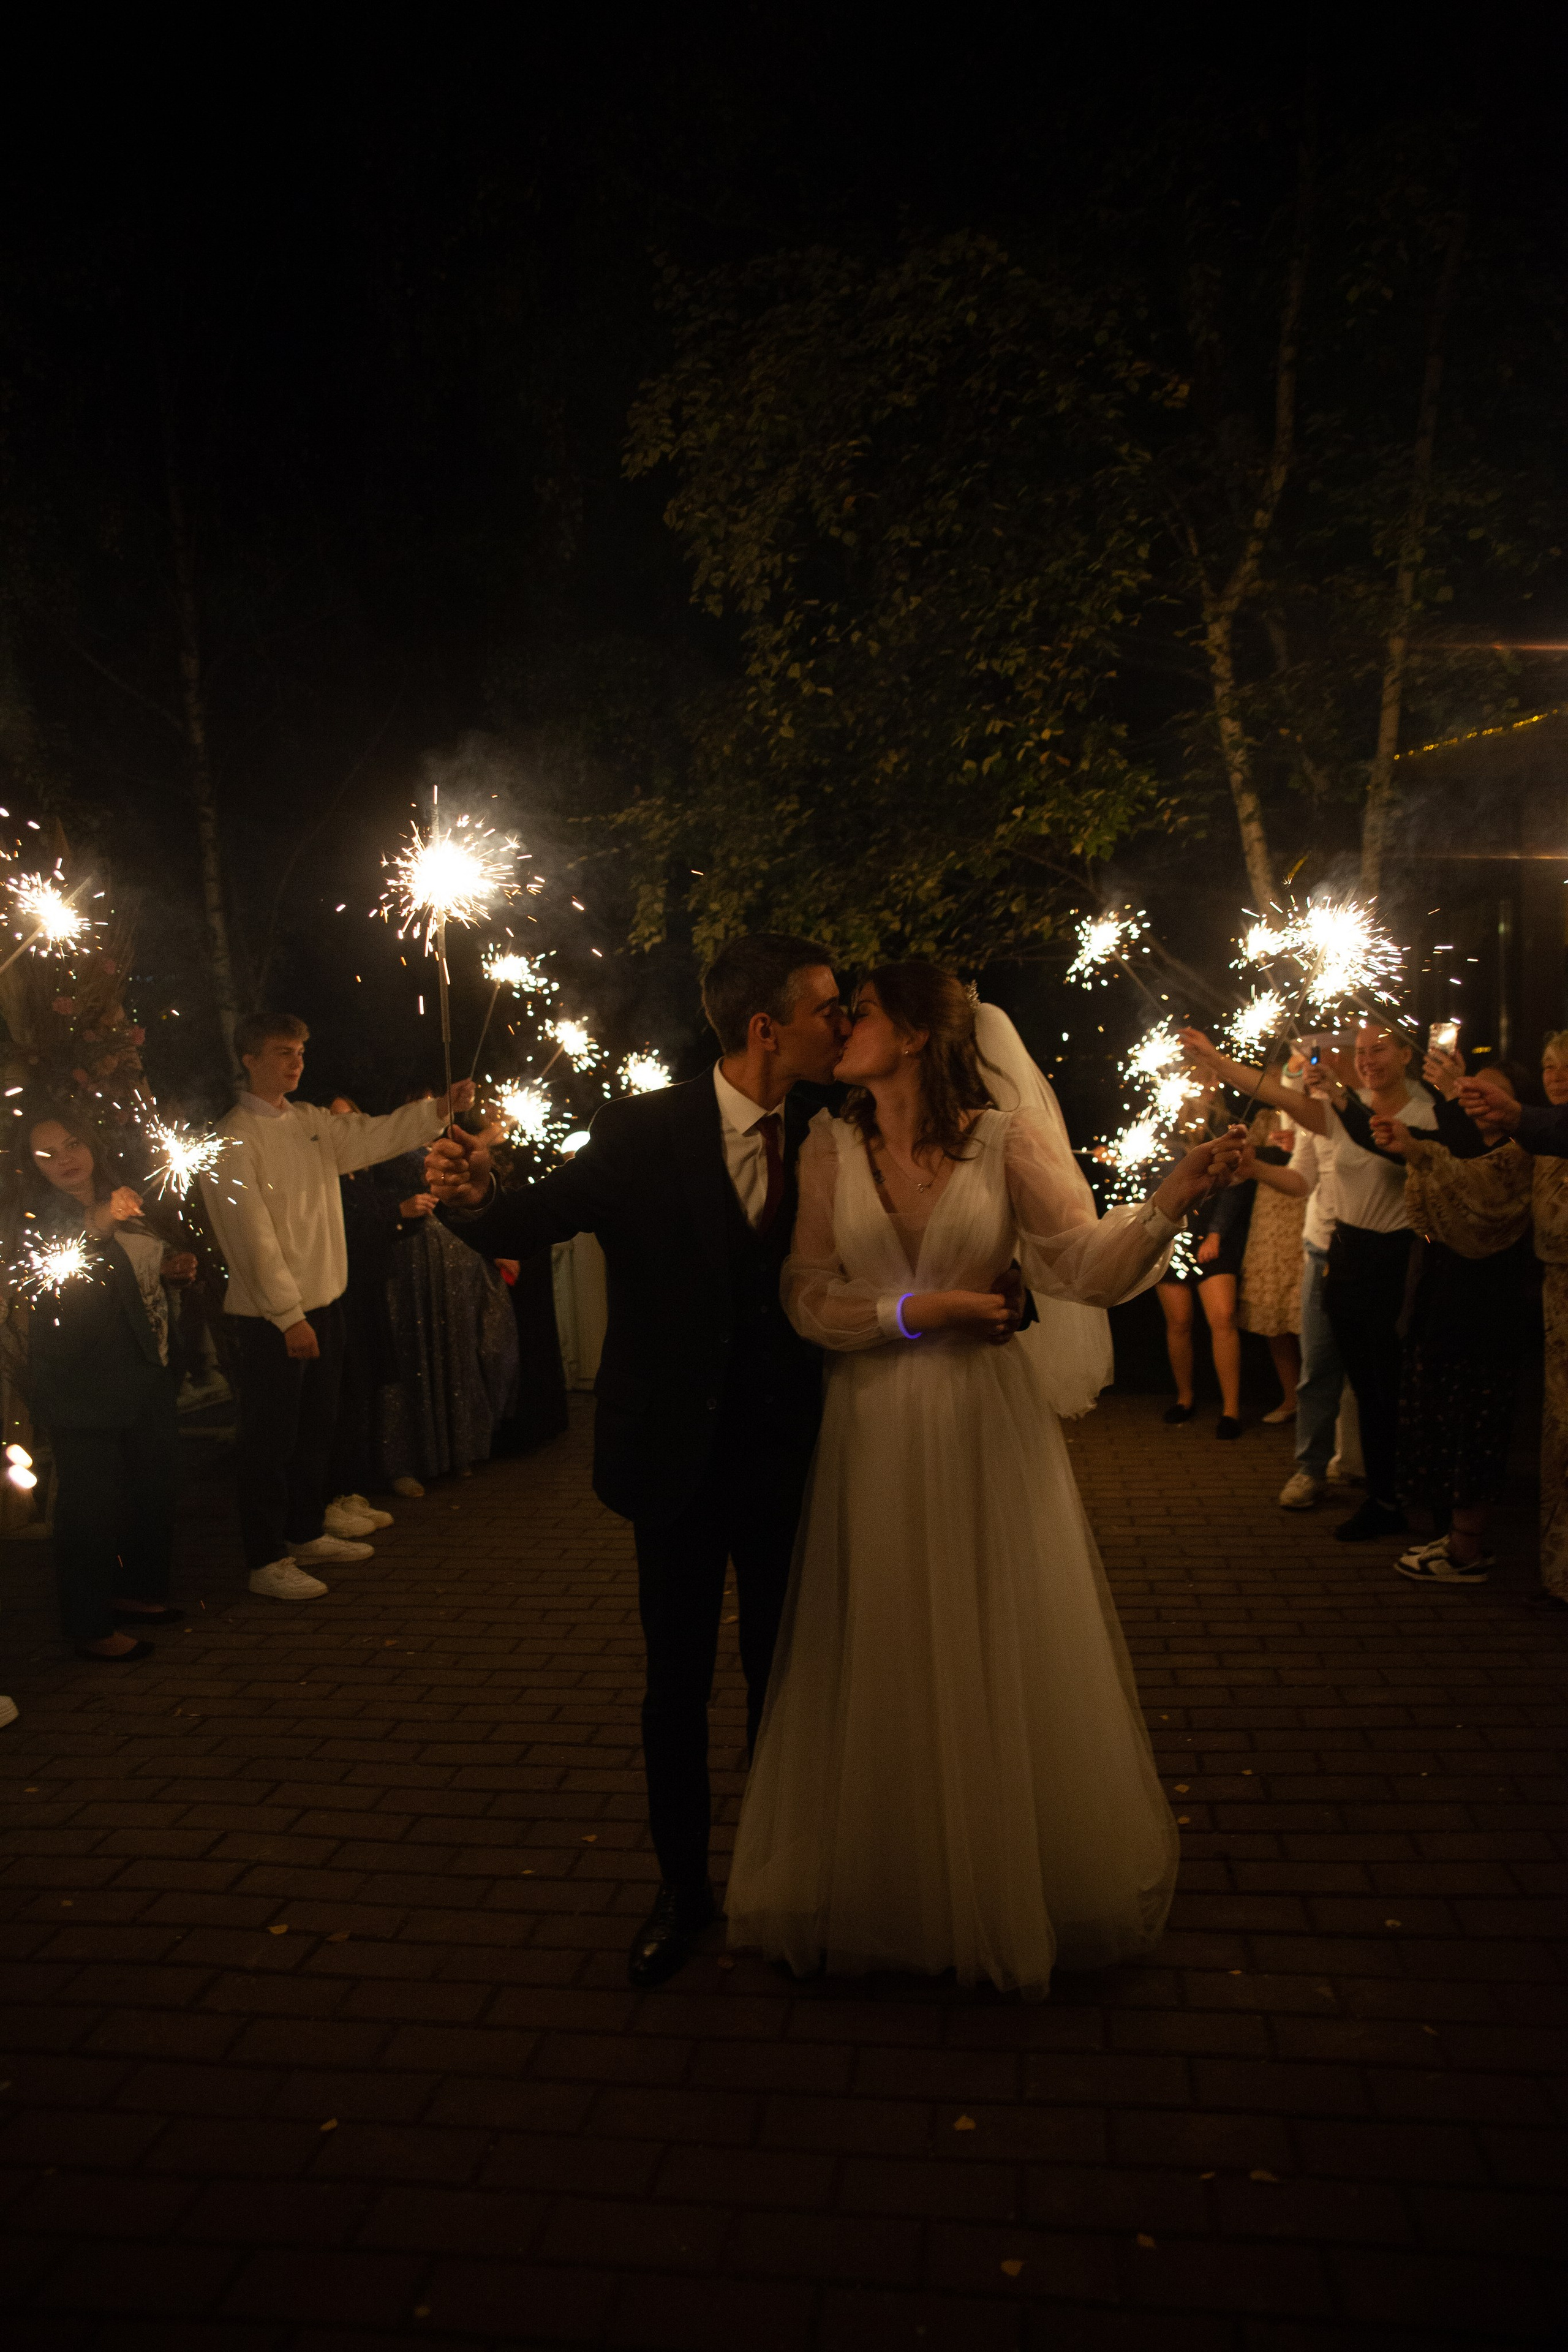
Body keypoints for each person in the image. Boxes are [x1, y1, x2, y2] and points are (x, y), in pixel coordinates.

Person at [723, 968, 1242, 1995]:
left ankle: (1005, 1879)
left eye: (858, 1013)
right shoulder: (831, 1145)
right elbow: (805, 1297)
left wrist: (1168, 1202)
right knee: (882, 1639)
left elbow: (1081, 1268)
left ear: (913, 1035)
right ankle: (891, 1878)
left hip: (982, 1429)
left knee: (988, 1632)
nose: (841, 1030)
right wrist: (924, 1313)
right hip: (871, 1429)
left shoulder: (1004, 1141)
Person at [425, 935, 851, 1988]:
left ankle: (779, 1877)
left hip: (793, 1456)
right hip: (673, 1458)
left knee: (782, 1681)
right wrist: (475, 1194)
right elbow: (535, 1217)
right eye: (828, 1009)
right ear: (767, 1026)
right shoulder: (644, 1128)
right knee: (676, 1686)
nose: (842, 1026)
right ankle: (682, 1890)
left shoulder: (838, 1130)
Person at [197, 1014, 472, 1602]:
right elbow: (250, 1237)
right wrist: (287, 1314)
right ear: (249, 1059)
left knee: (316, 1425)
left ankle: (302, 1531)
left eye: (300, 1051)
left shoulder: (311, 1123)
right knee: (271, 1439)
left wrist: (438, 1110)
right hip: (276, 1317)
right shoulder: (232, 1140)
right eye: (282, 1052)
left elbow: (373, 1135)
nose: (296, 1062)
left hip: (327, 1299)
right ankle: (265, 1558)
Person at [1182, 1022, 1437, 1539]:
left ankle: (1395, 1496)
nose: (1367, 1059)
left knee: (1390, 1386)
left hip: (1396, 1259)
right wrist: (1215, 1059)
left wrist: (1347, 1102)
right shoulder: (1345, 1109)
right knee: (1360, 1383)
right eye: (1362, 1051)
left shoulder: (1426, 1113)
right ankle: (1378, 1494)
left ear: (1407, 1055)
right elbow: (1278, 1095)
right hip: (1344, 1254)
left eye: (1378, 1050)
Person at [15, 1107, 196, 1659]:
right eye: (47, 1153)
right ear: (32, 1166)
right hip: (81, 1380)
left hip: (147, 1367)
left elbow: (142, 1266)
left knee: (151, 1488)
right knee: (89, 1505)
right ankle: (89, 1624)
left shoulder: (130, 1198)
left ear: (89, 1142)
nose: (64, 1158)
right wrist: (102, 1218)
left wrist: (174, 1268)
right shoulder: (37, 1214)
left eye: (71, 1143)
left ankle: (139, 1593)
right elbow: (75, 1246)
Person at [1372, 1063, 1540, 1585]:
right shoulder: (1455, 1145)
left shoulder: (1521, 1156)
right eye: (1472, 1090)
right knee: (1443, 1420)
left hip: (1488, 1314)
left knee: (1476, 1426)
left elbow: (1478, 1186)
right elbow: (1446, 1163)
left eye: (1491, 1092)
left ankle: (1468, 1549)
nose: (1477, 1099)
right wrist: (1406, 1141)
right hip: (1442, 1303)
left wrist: (1419, 1149)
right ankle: (1455, 1538)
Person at [370, 1099, 518, 1491]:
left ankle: (460, 1449)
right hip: (414, 1263)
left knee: (461, 1349)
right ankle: (411, 1459)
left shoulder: (442, 1142)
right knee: (417, 1354)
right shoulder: (391, 1148)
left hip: (455, 1258)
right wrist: (487, 1137)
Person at [1151, 1088, 1247, 1437]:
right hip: (1173, 1236)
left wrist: (1217, 1233)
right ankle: (1185, 1398)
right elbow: (1151, 1181)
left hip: (1214, 1237)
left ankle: (1231, 1410)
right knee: (1178, 1322)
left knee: (1222, 1318)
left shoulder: (1228, 1128)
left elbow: (1235, 1184)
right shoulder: (1163, 1130)